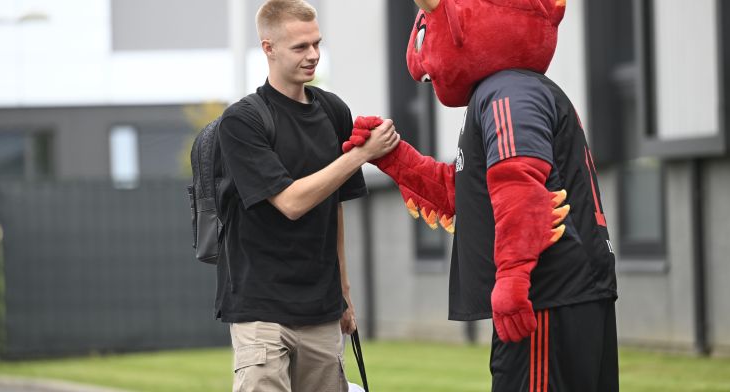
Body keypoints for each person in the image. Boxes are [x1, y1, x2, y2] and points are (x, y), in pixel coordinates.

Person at [343, 0, 618, 391]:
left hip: (547, 294)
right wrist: (394, 157)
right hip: (563, 294)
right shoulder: (509, 90)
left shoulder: (509, 92)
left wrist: (512, 280)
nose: (421, 64)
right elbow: (470, 194)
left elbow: (520, 186)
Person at [214, 1, 399, 391]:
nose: (313, 55)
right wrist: (360, 155)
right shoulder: (242, 121)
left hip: (322, 311)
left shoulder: (333, 111)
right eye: (300, 47)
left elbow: (334, 208)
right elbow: (292, 202)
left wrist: (345, 293)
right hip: (260, 311)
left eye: (317, 44)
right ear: (269, 48)